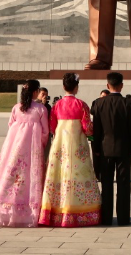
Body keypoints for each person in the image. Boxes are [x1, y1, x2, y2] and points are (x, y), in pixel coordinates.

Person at [0, 80, 49, 227]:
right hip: (31, 150)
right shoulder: (40, 109)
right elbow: (45, 132)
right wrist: (40, 146)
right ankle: (28, 210)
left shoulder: (17, 108)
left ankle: (3, 205)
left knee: (10, 175)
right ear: (35, 92)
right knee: (29, 177)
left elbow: (11, 126)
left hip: (14, 148)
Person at [39, 73, 101, 227]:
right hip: (78, 146)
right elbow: (87, 128)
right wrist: (93, 135)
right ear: (76, 87)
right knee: (79, 174)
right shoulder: (82, 105)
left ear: (63, 87)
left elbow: (52, 127)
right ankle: (80, 211)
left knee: (58, 175)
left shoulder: (57, 105)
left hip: (60, 145)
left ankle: (56, 212)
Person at [92, 72, 131, 226]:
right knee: (124, 184)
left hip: (105, 150)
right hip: (124, 149)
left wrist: (96, 147)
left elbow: (96, 130)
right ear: (122, 85)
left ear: (107, 85)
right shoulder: (129, 104)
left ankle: (106, 217)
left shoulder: (99, 104)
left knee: (106, 183)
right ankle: (123, 218)